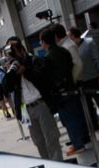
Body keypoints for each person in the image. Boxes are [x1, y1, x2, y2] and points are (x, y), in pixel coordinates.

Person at [0, 37, 62, 162]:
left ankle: (59, 164)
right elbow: (6, 85)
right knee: (38, 141)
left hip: (41, 105)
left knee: (51, 138)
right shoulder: (12, 68)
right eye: (9, 52)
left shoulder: (34, 60)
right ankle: (48, 166)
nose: (11, 55)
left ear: (21, 49)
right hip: (26, 109)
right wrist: (12, 71)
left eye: (13, 51)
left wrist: (26, 70)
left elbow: (44, 79)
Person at [40, 27, 89, 157]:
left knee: (68, 119)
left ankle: (78, 144)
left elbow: (50, 77)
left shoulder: (49, 57)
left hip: (61, 93)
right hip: (70, 87)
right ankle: (79, 141)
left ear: (44, 42)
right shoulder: (63, 51)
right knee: (76, 116)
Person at [69, 26, 99, 130]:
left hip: (93, 78)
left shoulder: (89, 43)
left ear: (73, 36)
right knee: (88, 106)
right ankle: (94, 125)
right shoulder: (72, 48)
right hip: (81, 81)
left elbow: (98, 59)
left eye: (69, 36)